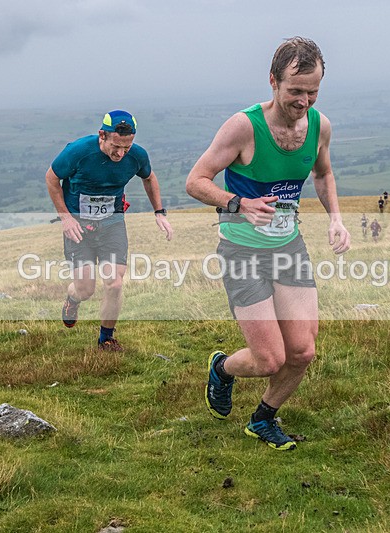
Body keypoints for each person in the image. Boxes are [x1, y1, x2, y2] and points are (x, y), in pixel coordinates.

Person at [186, 37, 350, 451]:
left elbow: (323, 174)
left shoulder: (319, 126)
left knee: (302, 351)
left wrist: (336, 219)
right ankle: (223, 368)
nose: (304, 101)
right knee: (269, 359)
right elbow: (196, 181)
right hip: (242, 251)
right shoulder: (244, 127)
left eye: (313, 91)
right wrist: (238, 203)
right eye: (295, 91)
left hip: (288, 247)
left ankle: (263, 419)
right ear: (273, 82)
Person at [45, 110, 173, 351]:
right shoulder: (78, 151)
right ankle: (73, 298)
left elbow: (149, 177)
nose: (121, 153)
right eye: (116, 146)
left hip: (112, 223)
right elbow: (52, 178)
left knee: (114, 283)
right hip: (78, 226)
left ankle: (106, 338)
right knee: (85, 288)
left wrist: (159, 212)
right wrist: (65, 218)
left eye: (127, 147)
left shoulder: (137, 155)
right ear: (102, 135)